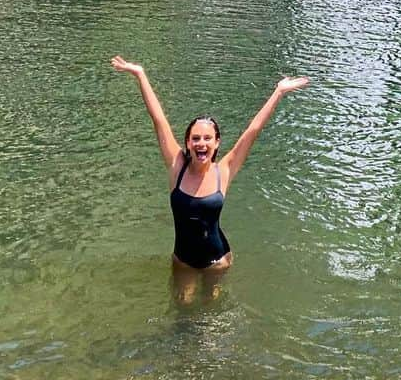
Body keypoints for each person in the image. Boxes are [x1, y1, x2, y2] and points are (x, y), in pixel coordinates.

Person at [110, 58, 309, 290]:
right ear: (187, 142)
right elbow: (159, 120)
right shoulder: (177, 167)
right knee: (182, 310)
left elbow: (253, 131)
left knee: (212, 317)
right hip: (183, 261)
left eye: (207, 139)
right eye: (195, 138)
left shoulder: (223, 170)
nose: (201, 143)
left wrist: (278, 92)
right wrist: (140, 74)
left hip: (218, 261)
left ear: (216, 143)